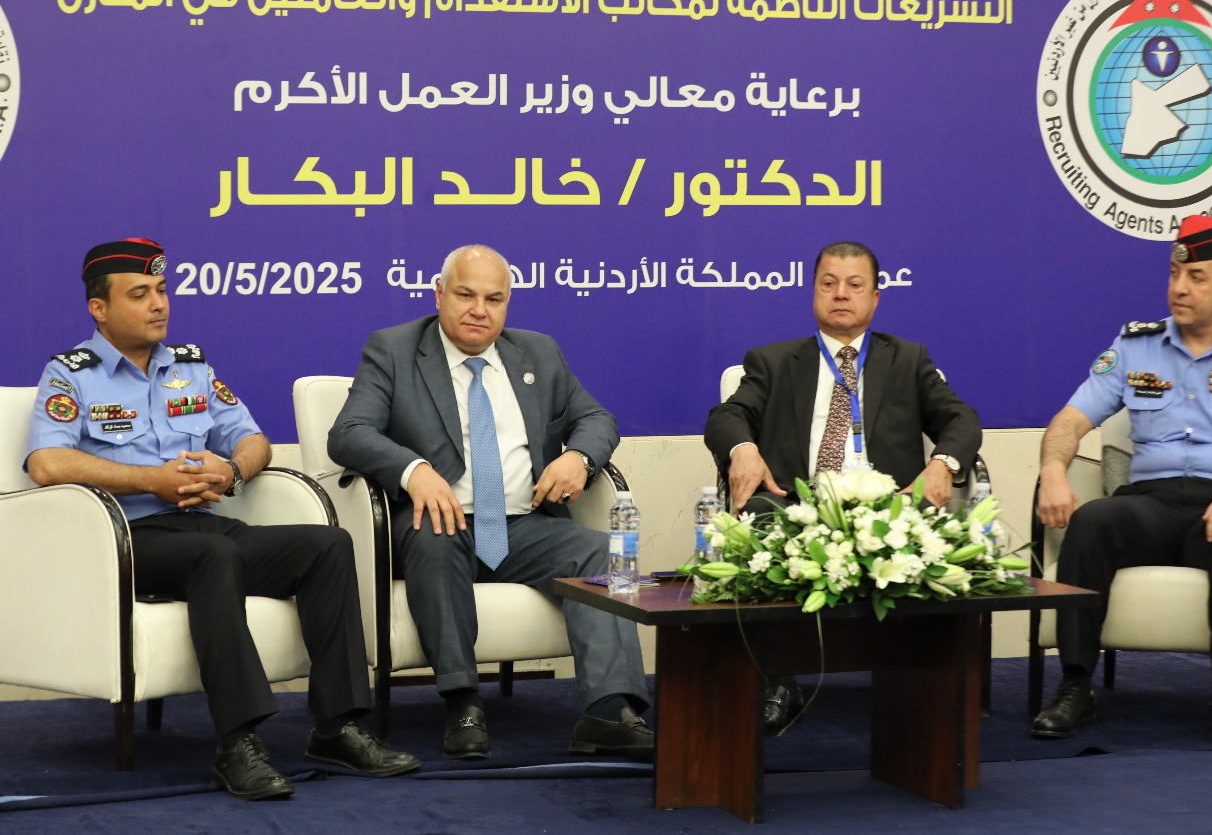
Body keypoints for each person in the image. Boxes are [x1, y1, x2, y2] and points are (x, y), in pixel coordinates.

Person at [24, 238, 421, 800]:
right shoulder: (72, 375)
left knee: (327, 545)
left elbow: (253, 440)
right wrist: (150, 480)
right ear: (100, 309)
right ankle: (238, 743)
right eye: (139, 294)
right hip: (126, 540)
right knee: (215, 554)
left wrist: (231, 472)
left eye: (162, 290)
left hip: (205, 528)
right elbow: (47, 463)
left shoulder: (190, 367)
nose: (159, 304)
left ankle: (337, 728)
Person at [327, 244, 652, 761]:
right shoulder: (394, 349)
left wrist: (580, 458)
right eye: (466, 295)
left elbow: (596, 418)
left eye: (494, 299)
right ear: (439, 294)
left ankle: (609, 713)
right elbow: (349, 432)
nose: (480, 310)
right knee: (435, 534)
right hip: (439, 521)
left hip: (524, 527)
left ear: (507, 304)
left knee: (600, 551)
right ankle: (463, 703)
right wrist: (414, 471)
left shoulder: (538, 353)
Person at [704, 240, 982, 733]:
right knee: (760, 517)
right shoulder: (773, 361)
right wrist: (743, 449)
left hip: (888, 505)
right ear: (813, 293)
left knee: (938, 532)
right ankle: (779, 680)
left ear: (875, 297)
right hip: (798, 502)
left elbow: (960, 419)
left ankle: (925, 681)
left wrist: (943, 463)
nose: (840, 294)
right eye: (828, 283)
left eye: (855, 285)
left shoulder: (908, 360)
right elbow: (727, 416)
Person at [1033, 215, 1212, 749]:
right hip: (1151, 502)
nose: (1179, 288)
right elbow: (1070, 420)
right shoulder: (1135, 346)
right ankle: (1075, 685)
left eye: (1196, 277)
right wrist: (1052, 471)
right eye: (1174, 273)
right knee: (1093, 520)